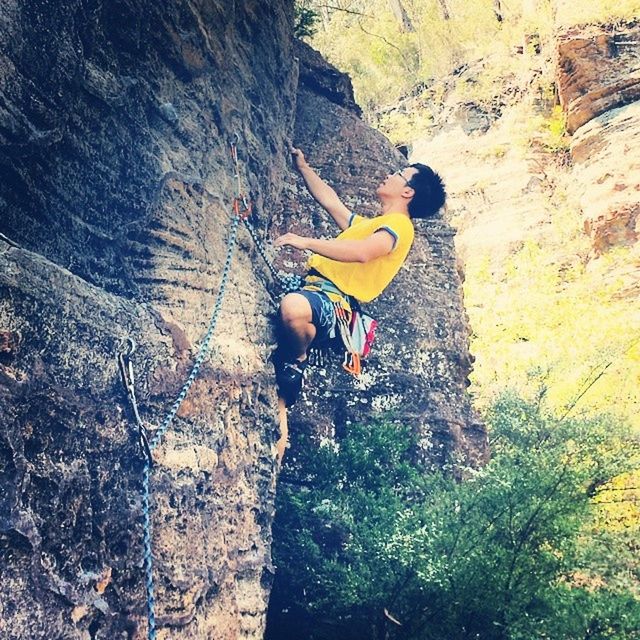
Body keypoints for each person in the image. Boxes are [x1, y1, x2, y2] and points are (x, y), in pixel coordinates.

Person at [272, 145, 446, 461]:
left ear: (407, 192)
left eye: (399, 174)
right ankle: (285, 404)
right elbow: (331, 202)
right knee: (292, 328)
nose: (389, 175)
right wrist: (304, 167)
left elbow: (364, 252)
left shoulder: (399, 227)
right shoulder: (369, 224)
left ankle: (297, 357)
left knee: (293, 308)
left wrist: (305, 242)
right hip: (317, 296)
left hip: (333, 303)